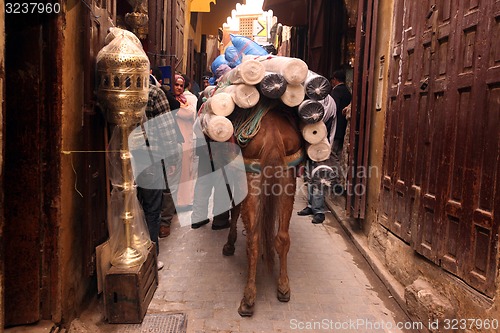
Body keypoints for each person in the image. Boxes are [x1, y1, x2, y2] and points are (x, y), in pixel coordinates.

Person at [136, 79, 181, 270]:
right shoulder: (153, 93)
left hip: (125, 157)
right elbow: (167, 130)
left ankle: (133, 252)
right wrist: (171, 159)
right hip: (149, 158)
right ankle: (151, 257)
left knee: (130, 206)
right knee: (151, 208)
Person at [150, 68, 183, 238]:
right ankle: (163, 222)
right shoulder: (157, 92)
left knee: (163, 187)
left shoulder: (157, 92)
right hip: (161, 147)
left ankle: (163, 221)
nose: (178, 87)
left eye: (181, 85)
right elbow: (173, 111)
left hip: (149, 150)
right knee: (167, 187)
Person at [297, 94, 337, 224]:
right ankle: (310, 206)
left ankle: (319, 211)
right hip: (309, 143)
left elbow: (318, 118)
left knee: (319, 179)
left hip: (321, 145)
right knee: (309, 177)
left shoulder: (329, 101)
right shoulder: (310, 99)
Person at [173, 74, 197, 211]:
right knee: (178, 172)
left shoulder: (184, 100)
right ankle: (178, 202)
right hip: (177, 141)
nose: (179, 88)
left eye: (181, 85)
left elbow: (191, 113)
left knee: (187, 172)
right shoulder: (173, 101)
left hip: (186, 140)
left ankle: (185, 201)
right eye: (176, 85)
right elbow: (187, 113)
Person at [329, 70, 352, 153]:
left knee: (333, 150)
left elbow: (334, 107)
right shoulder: (347, 91)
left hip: (336, 124)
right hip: (344, 123)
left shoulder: (336, 91)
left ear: (335, 79)